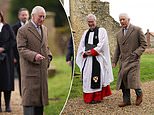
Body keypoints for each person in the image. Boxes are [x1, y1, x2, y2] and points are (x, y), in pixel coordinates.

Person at [17, 6, 52, 115]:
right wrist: (34, 55)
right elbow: (21, 49)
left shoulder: (45, 29)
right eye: (40, 16)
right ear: (33, 16)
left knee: (40, 104)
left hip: (42, 71)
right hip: (30, 71)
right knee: (30, 102)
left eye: (44, 17)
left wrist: (49, 57)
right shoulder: (23, 30)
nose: (42, 19)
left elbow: (46, 47)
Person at [76, 14, 114, 104]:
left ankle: (97, 97)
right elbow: (81, 45)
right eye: (89, 22)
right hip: (87, 60)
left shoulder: (101, 31)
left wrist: (93, 51)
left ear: (95, 21)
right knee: (87, 77)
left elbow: (103, 44)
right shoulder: (85, 33)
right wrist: (84, 52)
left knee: (97, 76)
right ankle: (89, 98)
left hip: (97, 58)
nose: (90, 24)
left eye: (92, 22)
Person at [112, 13, 147, 107]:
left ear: (128, 19)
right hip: (123, 61)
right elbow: (117, 49)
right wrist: (114, 61)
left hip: (133, 60)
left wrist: (136, 53)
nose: (122, 21)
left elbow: (144, 44)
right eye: (120, 20)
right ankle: (126, 100)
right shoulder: (118, 34)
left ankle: (139, 94)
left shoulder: (137, 30)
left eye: (123, 19)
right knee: (123, 81)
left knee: (133, 79)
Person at [0, 11, 16, 112]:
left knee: (7, 82)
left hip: (6, 59)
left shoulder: (7, 27)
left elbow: (13, 40)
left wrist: (3, 48)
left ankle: (7, 105)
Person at [12, 8, 29, 96]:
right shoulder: (14, 28)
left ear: (28, 16)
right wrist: (13, 57)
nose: (24, 17)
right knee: (21, 76)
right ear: (19, 16)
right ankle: (23, 96)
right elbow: (12, 44)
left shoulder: (32, 26)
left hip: (30, 57)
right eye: (23, 15)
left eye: (26, 15)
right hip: (18, 57)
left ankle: (30, 95)